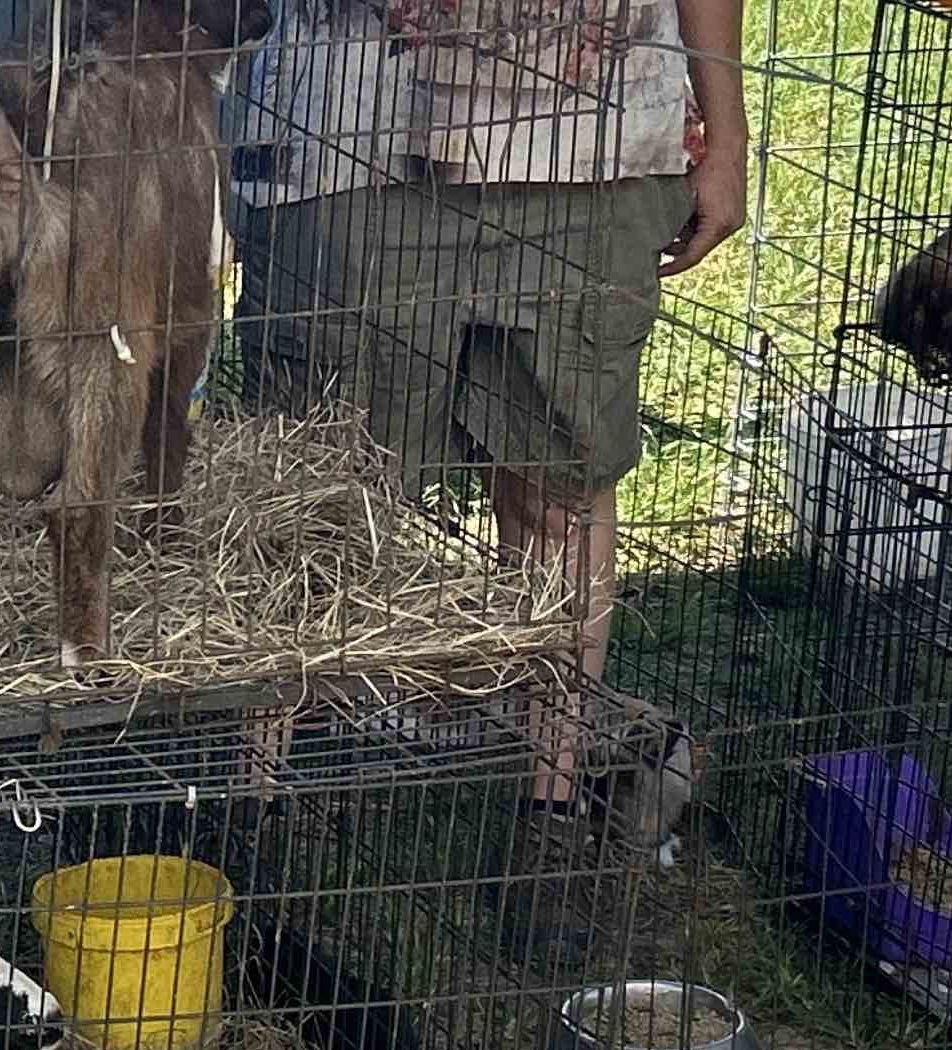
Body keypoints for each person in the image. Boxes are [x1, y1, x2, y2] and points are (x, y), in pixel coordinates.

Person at [220, 0, 747, 964]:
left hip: (594, 141)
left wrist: (727, 129)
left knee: (557, 489)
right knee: (316, 487)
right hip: (354, 131)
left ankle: (546, 815)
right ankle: (261, 800)